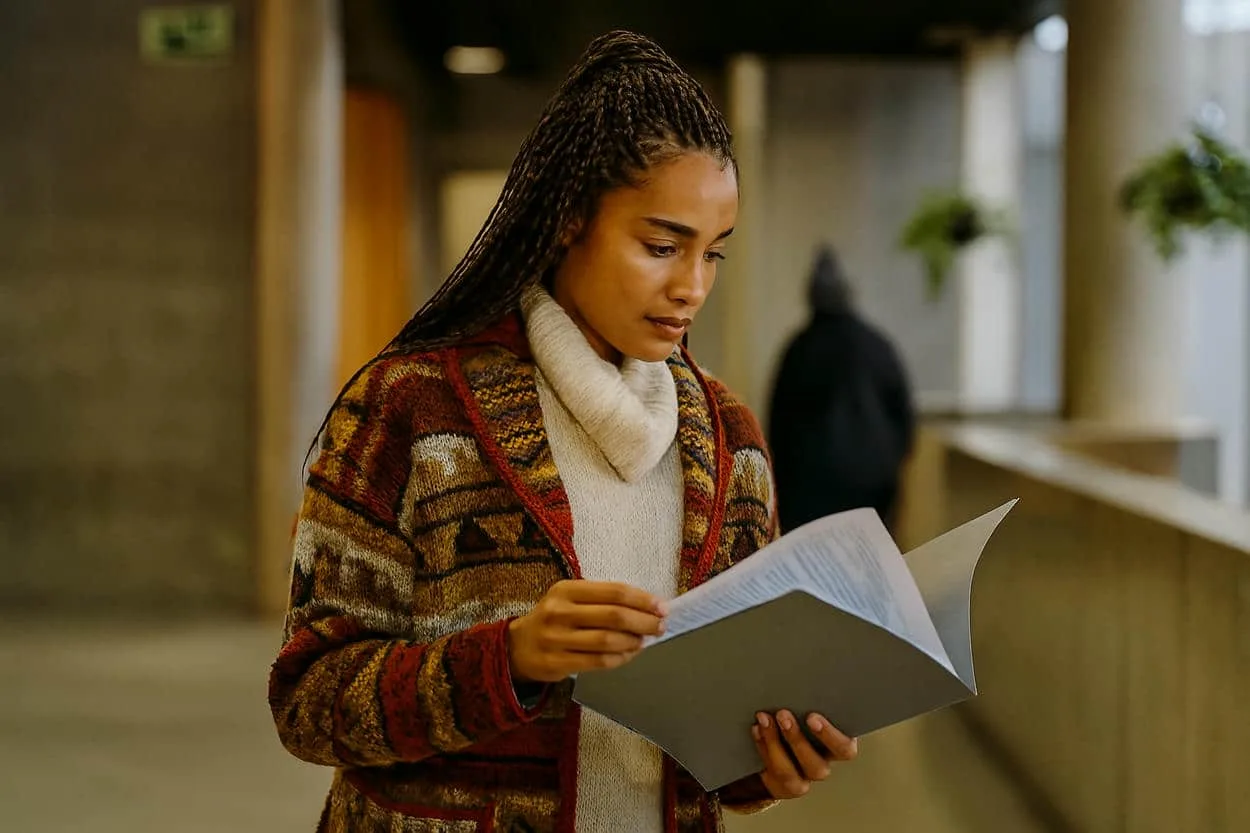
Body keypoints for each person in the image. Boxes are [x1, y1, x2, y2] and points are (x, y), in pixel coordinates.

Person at [268, 31, 858, 833]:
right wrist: (507, 658)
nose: (691, 286)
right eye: (660, 246)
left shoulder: (728, 442)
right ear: (570, 217)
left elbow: (723, 752)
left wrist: (771, 758)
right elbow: (309, 702)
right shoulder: (410, 409)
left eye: (713, 254)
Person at [767, 245, 916, 534]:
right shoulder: (877, 346)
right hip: (872, 485)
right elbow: (904, 420)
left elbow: (778, 427)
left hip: (808, 492)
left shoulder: (798, 351)